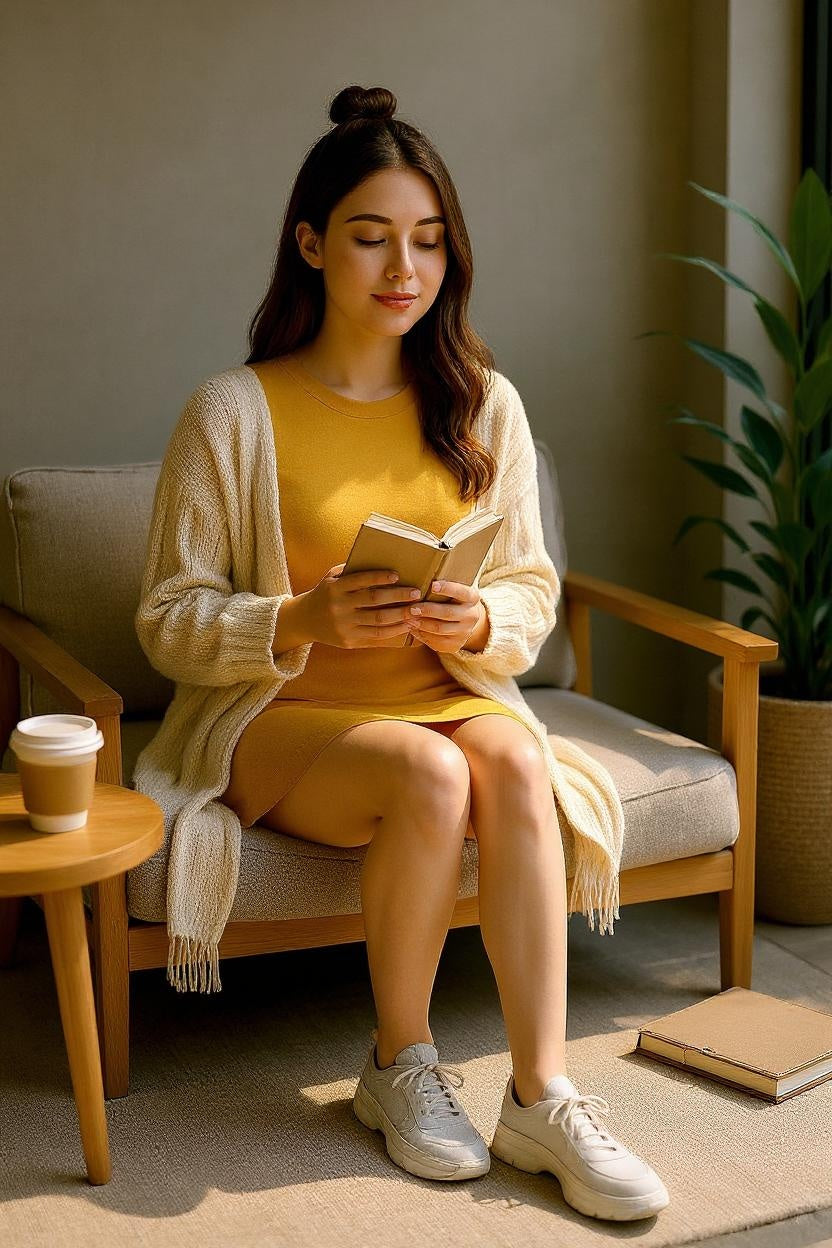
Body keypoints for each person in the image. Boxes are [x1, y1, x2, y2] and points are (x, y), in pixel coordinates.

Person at [136, 82, 669, 1222]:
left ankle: (542, 1092)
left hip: (443, 696)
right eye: (372, 238)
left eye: (427, 241)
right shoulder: (233, 412)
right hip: (280, 725)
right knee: (430, 773)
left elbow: (527, 584)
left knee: (518, 763)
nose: (402, 269)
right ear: (313, 244)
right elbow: (168, 616)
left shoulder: (484, 404)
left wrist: (476, 624)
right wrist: (296, 622)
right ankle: (401, 1064)